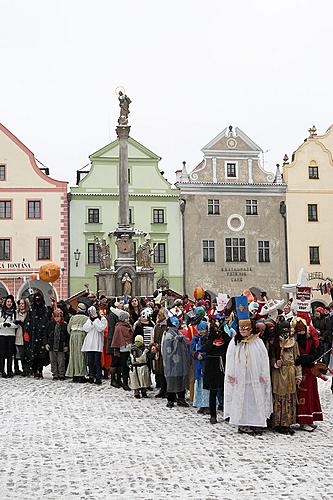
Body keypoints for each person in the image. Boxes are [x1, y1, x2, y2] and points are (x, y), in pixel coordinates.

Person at [224, 302, 273, 435]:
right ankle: (242, 423)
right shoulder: (235, 342)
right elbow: (230, 359)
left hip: (255, 378)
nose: (243, 331)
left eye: (246, 328)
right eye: (241, 329)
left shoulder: (257, 342)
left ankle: (256, 422)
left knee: (255, 399)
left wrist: (263, 373)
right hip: (240, 378)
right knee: (242, 400)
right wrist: (231, 374)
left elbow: (263, 358)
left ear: (251, 329)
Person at [270, 320, 302, 434]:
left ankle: (287, 423)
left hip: (290, 373)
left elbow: (297, 360)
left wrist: (298, 375)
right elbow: (271, 358)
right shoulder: (274, 343)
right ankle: (278, 423)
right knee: (279, 398)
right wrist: (275, 363)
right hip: (279, 374)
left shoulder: (294, 343)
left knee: (289, 398)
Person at [293, 317, 323, 431]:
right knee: (301, 397)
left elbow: (315, 354)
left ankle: (309, 419)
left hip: (309, 371)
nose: (301, 331)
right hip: (298, 372)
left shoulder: (310, 340)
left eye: (302, 329)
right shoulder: (293, 342)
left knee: (310, 395)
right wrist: (300, 360)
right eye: (298, 329)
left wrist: (307, 359)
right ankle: (302, 421)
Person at [203, 314, 231, 424]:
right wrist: (212, 337)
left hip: (224, 364)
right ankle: (213, 415)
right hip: (212, 365)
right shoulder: (208, 337)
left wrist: (223, 335)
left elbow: (229, 345)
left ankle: (227, 413)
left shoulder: (225, 336)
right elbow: (206, 348)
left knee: (226, 390)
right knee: (213, 391)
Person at [161, 316, 190, 408]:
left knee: (180, 378)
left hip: (180, 362)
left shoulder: (178, 332)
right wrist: (176, 340)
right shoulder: (168, 334)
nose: (178, 324)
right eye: (176, 323)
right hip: (171, 362)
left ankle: (181, 398)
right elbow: (167, 348)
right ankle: (170, 399)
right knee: (172, 380)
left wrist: (182, 339)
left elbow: (185, 342)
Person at [24, 292, 49, 378]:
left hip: (42, 334)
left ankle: (40, 370)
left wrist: (46, 332)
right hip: (33, 334)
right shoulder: (31, 309)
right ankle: (35, 371)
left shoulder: (44, 309)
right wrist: (26, 331)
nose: (37, 301)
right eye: (36, 299)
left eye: (39, 299)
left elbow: (47, 321)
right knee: (33, 354)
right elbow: (28, 321)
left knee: (41, 355)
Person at [81, 306, 107, 385]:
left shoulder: (102, 319)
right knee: (90, 361)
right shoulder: (89, 319)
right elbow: (85, 328)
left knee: (97, 362)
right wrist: (91, 322)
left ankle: (98, 377)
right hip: (89, 343)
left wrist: (95, 320)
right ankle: (91, 376)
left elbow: (100, 328)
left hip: (97, 342)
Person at [190, 320, 210, 414]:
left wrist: (204, 355)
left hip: (206, 364)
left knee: (206, 386)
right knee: (199, 384)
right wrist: (196, 354)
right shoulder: (195, 338)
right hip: (198, 364)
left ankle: (207, 405)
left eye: (203, 330)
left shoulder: (209, 338)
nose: (201, 332)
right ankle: (201, 404)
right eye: (200, 330)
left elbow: (210, 350)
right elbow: (192, 350)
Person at [66, 302, 88, 383]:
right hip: (82, 337)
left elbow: (68, 329)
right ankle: (81, 375)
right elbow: (87, 329)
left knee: (73, 356)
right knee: (81, 356)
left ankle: (74, 375)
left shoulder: (72, 318)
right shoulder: (86, 318)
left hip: (73, 337)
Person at [111, 310, 133, 390]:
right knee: (124, 367)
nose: (128, 319)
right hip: (123, 349)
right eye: (127, 318)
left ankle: (125, 382)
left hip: (129, 348)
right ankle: (125, 383)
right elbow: (116, 338)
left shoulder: (128, 326)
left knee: (126, 366)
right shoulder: (119, 327)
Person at [45, 309, 69, 381]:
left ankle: (61, 374)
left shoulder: (64, 325)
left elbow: (67, 336)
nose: (57, 318)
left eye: (58, 317)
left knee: (61, 361)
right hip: (51, 345)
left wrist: (66, 345)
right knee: (53, 361)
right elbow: (46, 335)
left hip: (61, 345)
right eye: (55, 317)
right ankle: (55, 374)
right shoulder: (50, 324)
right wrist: (46, 343)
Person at [151, 307, 168, 398]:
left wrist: (160, 346)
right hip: (158, 352)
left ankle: (167, 389)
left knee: (165, 371)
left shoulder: (167, 327)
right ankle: (162, 388)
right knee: (159, 371)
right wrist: (153, 345)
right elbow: (153, 338)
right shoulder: (157, 326)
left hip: (165, 352)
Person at [0, 295, 18, 378]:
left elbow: (16, 325)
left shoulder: (15, 312)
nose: (9, 303)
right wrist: (3, 324)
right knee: (2, 354)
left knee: (10, 354)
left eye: (10, 302)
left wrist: (10, 325)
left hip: (11, 335)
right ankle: (2, 371)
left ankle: (9, 371)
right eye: (8, 301)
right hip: (2, 334)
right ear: (5, 302)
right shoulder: (1, 312)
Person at [15, 298, 29, 376]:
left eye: (22, 303)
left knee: (27, 354)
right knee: (21, 355)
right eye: (20, 303)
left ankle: (27, 369)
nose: (21, 305)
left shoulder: (28, 313)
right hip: (19, 336)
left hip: (26, 336)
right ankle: (23, 369)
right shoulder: (16, 313)